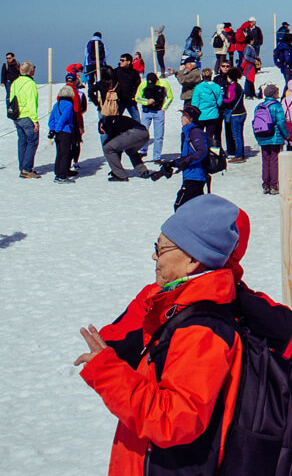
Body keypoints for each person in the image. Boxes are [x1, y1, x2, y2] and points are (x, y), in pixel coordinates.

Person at [76, 196, 242, 475]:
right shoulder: (179, 308)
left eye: (161, 248)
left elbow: (174, 419)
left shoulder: (201, 331)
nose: (155, 255)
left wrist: (107, 373)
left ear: (191, 260)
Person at [163, 105, 210, 209]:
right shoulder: (186, 133)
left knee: (180, 207)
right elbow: (187, 156)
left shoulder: (196, 132)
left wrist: (185, 162)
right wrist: (173, 163)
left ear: (191, 119)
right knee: (195, 208)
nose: (182, 118)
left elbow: (202, 152)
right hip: (190, 176)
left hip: (195, 176)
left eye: (184, 115)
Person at [253, 83, 287, 194]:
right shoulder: (277, 106)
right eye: (277, 92)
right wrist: (286, 135)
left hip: (262, 136)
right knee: (274, 160)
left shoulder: (259, 106)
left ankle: (265, 185)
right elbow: (281, 122)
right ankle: (274, 186)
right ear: (274, 94)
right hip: (274, 137)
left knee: (265, 160)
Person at [100, 114, 153, 181]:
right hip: (145, 134)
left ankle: (120, 175)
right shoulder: (117, 121)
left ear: (101, 125)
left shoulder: (107, 121)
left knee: (107, 148)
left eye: (102, 131)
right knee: (130, 150)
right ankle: (143, 171)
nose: (104, 133)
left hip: (134, 133)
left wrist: (115, 170)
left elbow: (114, 148)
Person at [10, 61, 39, 178]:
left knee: (22, 142)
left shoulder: (15, 82)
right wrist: (35, 120)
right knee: (32, 142)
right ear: (30, 70)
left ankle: (22, 167)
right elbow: (32, 102)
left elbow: (11, 99)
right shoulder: (30, 83)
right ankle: (27, 169)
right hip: (27, 116)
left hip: (17, 116)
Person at [136, 72, 173, 162]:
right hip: (146, 111)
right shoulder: (143, 84)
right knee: (143, 133)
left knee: (159, 135)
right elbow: (137, 97)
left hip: (158, 112)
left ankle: (157, 156)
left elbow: (170, 97)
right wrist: (146, 101)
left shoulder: (164, 84)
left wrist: (163, 108)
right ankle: (143, 150)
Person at [48, 87, 77, 183]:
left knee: (59, 153)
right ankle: (63, 175)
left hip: (58, 133)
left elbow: (51, 119)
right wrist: (57, 129)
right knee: (66, 154)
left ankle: (57, 173)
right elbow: (64, 118)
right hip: (65, 131)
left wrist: (52, 130)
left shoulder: (57, 104)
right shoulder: (68, 104)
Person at [191, 68, 223, 153]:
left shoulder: (198, 88)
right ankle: (211, 154)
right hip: (213, 115)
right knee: (210, 136)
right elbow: (219, 102)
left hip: (201, 116)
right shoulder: (217, 86)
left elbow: (194, 103)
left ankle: (201, 153)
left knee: (199, 136)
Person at [221, 65, 248, 162]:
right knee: (239, 135)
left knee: (236, 136)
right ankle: (241, 153)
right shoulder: (239, 86)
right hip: (242, 112)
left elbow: (231, 99)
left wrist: (223, 100)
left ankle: (238, 155)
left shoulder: (232, 86)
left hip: (235, 114)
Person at [114, 53, 143, 122]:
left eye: (123, 60)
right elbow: (112, 84)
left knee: (137, 121)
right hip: (119, 100)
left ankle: (139, 132)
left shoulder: (134, 73)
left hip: (131, 100)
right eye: (120, 60)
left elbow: (138, 85)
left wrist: (134, 95)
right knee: (116, 120)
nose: (120, 62)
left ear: (128, 62)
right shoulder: (116, 71)